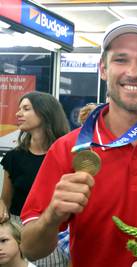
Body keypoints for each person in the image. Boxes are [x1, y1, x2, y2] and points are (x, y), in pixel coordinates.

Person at [20, 17, 137, 267]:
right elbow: (30, 249)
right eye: (121, 59)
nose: (133, 72)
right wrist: (53, 214)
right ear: (103, 69)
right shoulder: (68, 149)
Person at [0, 91, 70, 267]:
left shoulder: (66, 155)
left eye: (26, 108)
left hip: (54, 235)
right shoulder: (14, 157)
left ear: (44, 112)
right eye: (19, 108)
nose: (18, 114)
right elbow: (5, 201)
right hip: (19, 236)